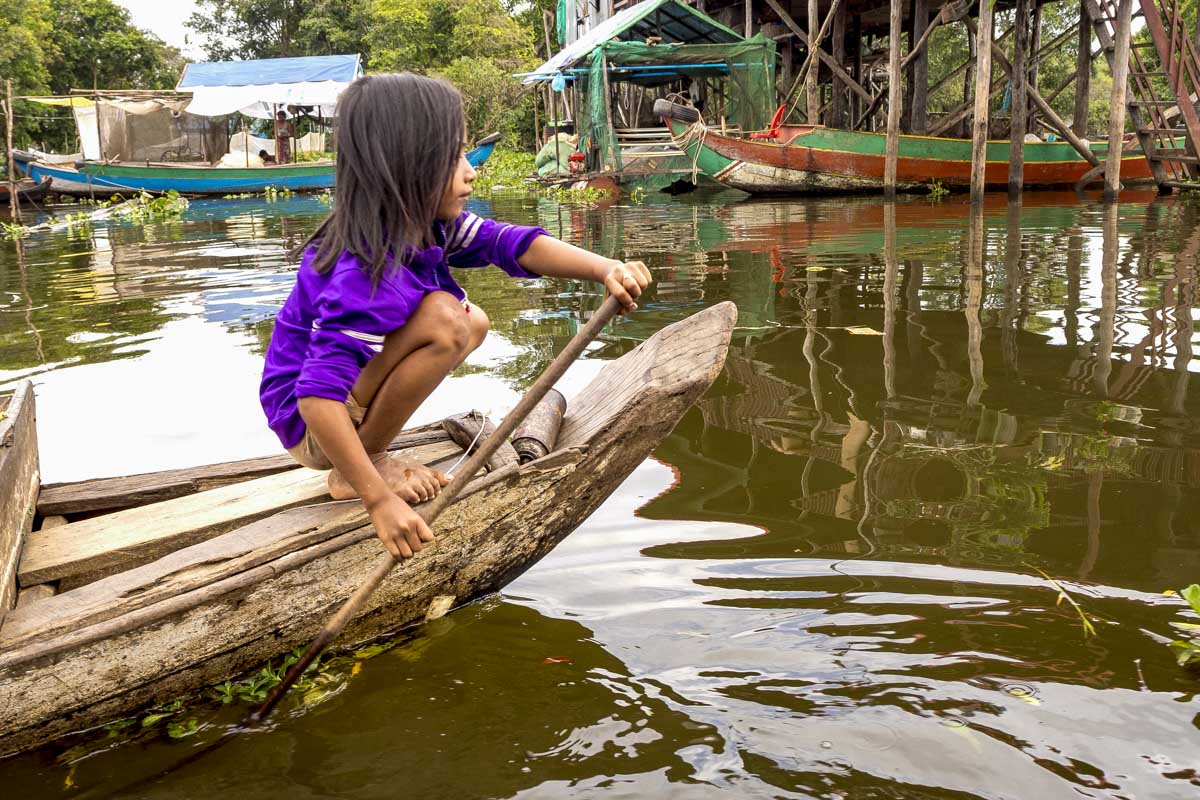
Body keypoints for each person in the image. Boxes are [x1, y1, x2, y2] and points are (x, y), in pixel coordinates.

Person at [259, 73, 651, 562]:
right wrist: (377, 498)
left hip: (332, 407)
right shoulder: (360, 271)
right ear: (408, 166)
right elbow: (317, 396)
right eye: (455, 158)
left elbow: (513, 244)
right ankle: (359, 466)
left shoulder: (428, 228)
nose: (470, 172)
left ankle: (370, 452)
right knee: (447, 318)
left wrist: (605, 268)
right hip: (309, 425)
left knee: (472, 319)